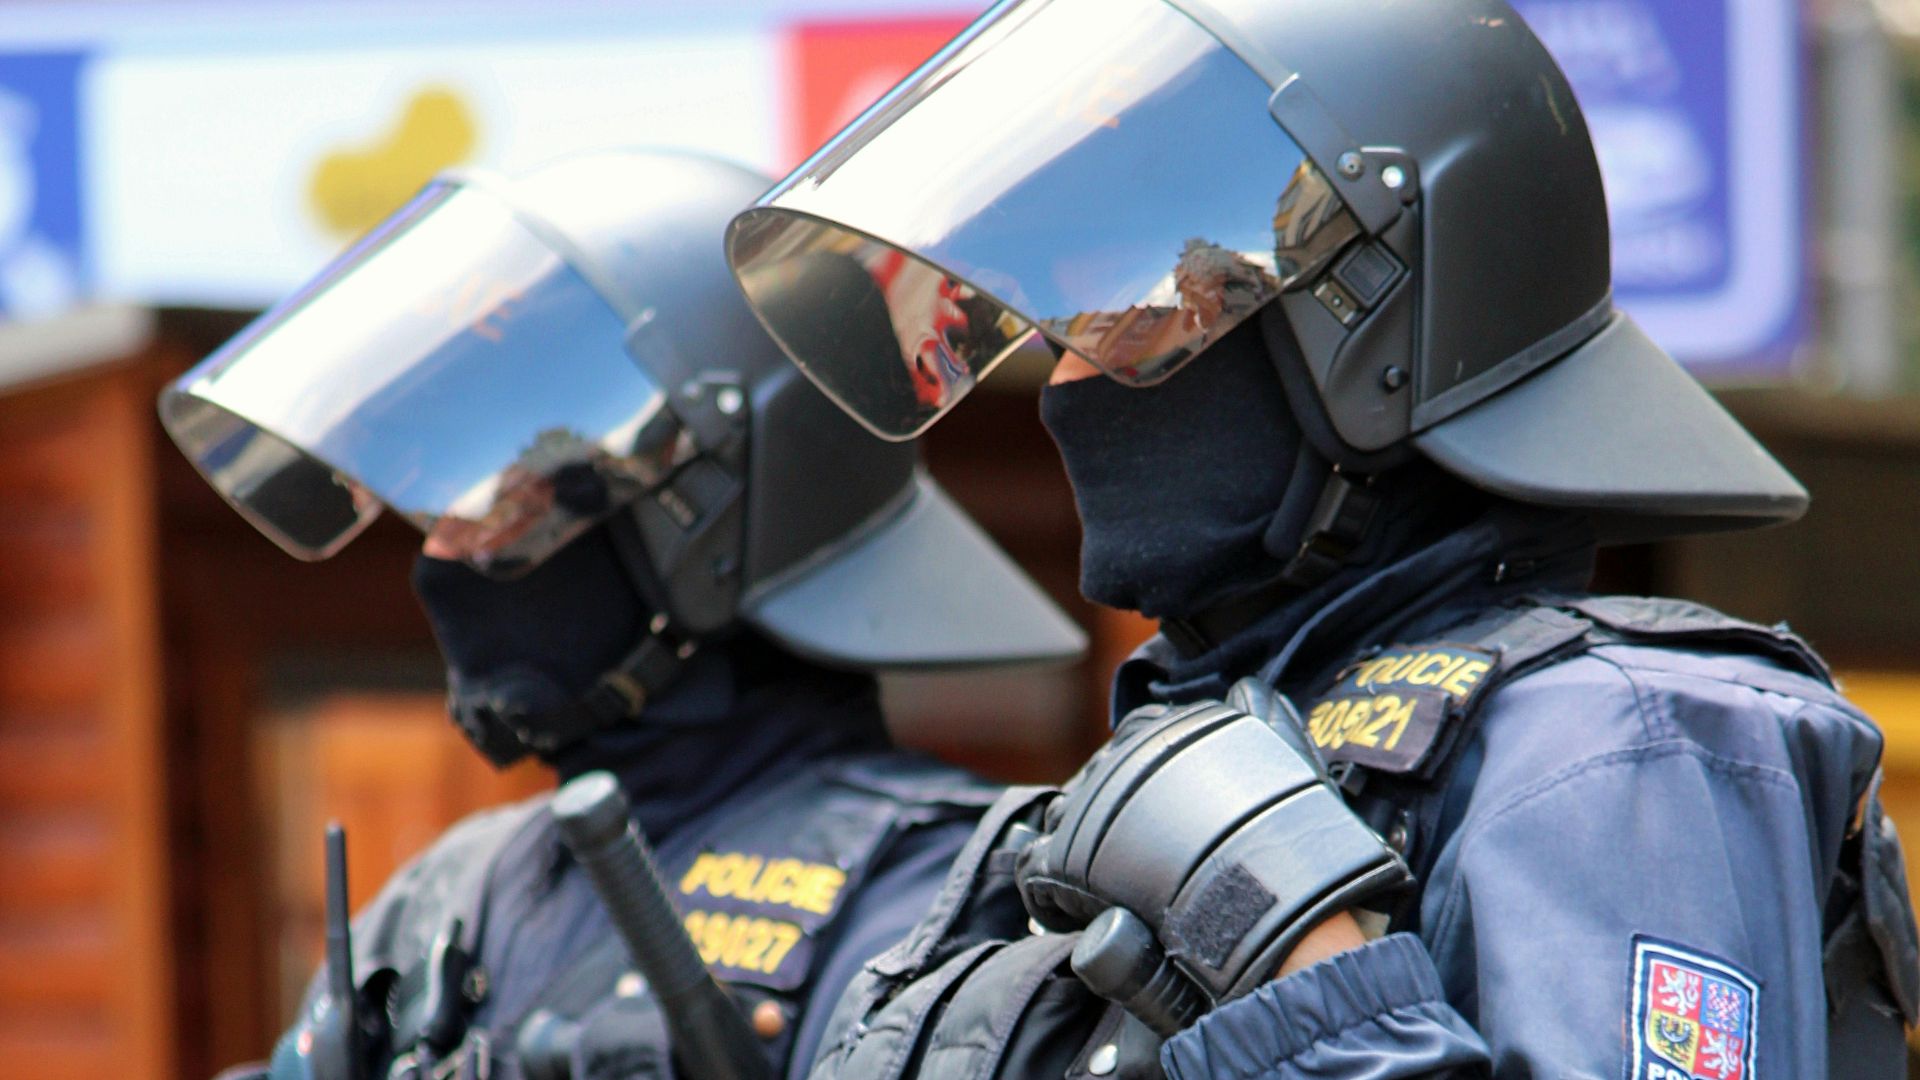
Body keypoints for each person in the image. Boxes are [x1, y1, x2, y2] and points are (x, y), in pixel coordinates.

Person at [723, 1, 1920, 1076]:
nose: (1065, 385)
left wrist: (1312, 977)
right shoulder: (1200, 752)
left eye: (1133, 323)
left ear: (1369, 334)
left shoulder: (1618, 745)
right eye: (1062, 332)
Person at [160, 148, 1086, 1080]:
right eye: (443, 512)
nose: (442, 558)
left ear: (712, 521)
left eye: (508, 505)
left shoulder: (938, 911)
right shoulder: (449, 900)